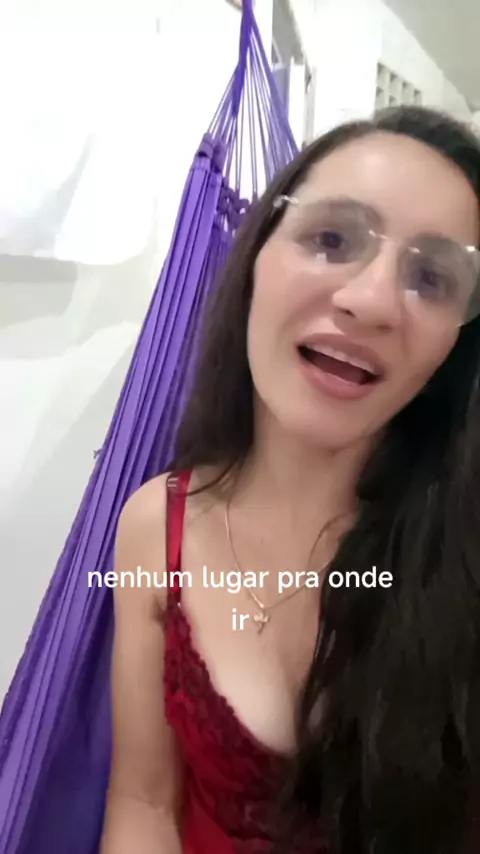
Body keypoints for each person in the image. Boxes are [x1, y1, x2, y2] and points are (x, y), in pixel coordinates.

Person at [100, 105, 480, 854]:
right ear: (256, 256)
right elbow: (143, 802)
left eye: (432, 277)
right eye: (332, 239)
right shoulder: (156, 527)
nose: (370, 301)